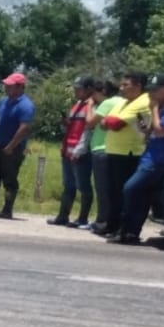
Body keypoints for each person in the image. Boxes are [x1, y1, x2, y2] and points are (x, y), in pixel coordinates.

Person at [111, 74, 164, 244]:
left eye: (156, 90)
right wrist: (144, 128)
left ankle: (126, 229)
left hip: (161, 159)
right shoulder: (163, 106)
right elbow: (153, 131)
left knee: (130, 189)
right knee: (142, 194)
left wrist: (153, 108)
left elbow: (161, 131)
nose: (152, 94)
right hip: (150, 155)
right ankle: (130, 233)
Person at [97, 72, 150, 237]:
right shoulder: (125, 102)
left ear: (138, 86)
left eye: (125, 85)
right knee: (112, 192)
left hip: (129, 153)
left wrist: (108, 121)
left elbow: (115, 122)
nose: (121, 88)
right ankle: (111, 225)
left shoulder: (144, 101)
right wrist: (107, 121)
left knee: (123, 193)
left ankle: (123, 227)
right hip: (114, 151)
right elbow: (105, 122)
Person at [0, 68, 35, 219]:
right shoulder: (3, 101)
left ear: (20, 87)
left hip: (13, 149)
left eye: (10, 86)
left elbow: (24, 128)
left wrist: (11, 146)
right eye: (6, 85)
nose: (6, 88)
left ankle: (7, 209)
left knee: (9, 178)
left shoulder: (26, 105)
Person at [49, 76, 96, 227]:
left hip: (80, 152)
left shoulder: (92, 106)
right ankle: (63, 216)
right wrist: (66, 124)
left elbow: (88, 130)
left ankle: (82, 218)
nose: (76, 90)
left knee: (83, 186)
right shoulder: (77, 104)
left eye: (79, 88)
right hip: (68, 150)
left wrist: (80, 150)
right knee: (68, 185)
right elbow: (74, 127)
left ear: (89, 89)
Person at [87, 78, 124, 234]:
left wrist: (90, 106)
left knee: (102, 189)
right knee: (113, 189)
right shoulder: (123, 101)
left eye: (94, 94)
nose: (93, 97)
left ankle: (102, 220)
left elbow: (89, 122)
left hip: (101, 149)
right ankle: (112, 221)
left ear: (103, 92)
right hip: (116, 149)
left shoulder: (107, 103)